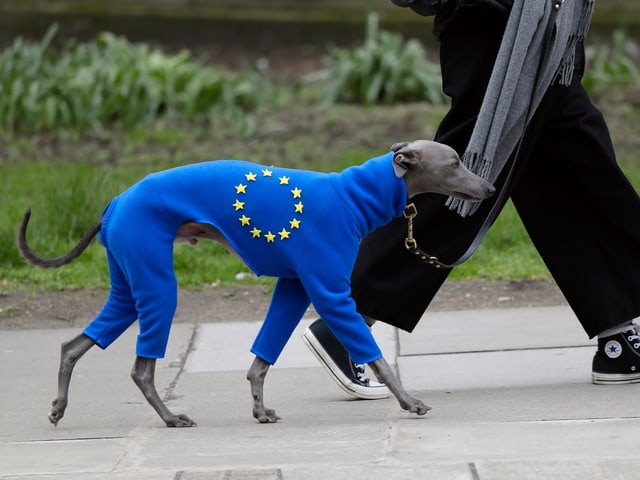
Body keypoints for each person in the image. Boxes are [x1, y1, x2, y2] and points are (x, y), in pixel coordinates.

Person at [301, 0, 640, 399]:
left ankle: (616, 335)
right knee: (464, 173)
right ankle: (348, 320)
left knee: (571, 163)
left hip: (542, 22)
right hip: (496, 25)